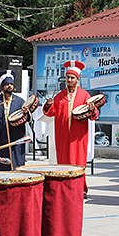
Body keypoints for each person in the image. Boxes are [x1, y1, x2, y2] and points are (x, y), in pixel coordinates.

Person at [43, 60, 98, 194]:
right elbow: (50, 112)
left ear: (77, 79)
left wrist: (92, 109)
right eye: (68, 77)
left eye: (72, 77)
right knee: (63, 161)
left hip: (78, 136)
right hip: (62, 136)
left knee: (78, 161)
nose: (69, 80)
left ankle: (80, 189)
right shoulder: (59, 95)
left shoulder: (84, 95)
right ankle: (64, 188)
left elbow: (93, 115)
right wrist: (48, 105)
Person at [0, 69, 29, 170]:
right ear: (2, 86)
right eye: (6, 84)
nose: (9, 86)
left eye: (11, 84)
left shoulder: (20, 101)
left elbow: (28, 118)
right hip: (0, 138)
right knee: (1, 166)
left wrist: (26, 112)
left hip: (16, 138)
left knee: (17, 164)